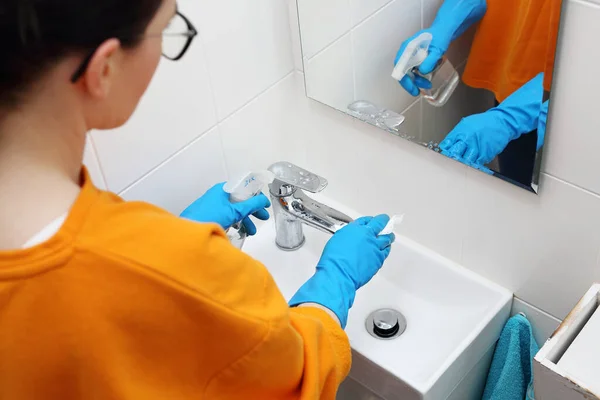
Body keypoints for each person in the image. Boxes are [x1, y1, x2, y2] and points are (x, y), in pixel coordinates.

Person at [0, 1, 395, 399]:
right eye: (168, 30)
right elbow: (298, 378)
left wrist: (164, 241)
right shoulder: (183, 269)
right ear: (104, 69)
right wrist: (334, 283)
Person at [395, 0, 560, 184]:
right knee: (515, 183)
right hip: (514, 83)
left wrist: (510, 118)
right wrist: (446, 23)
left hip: (571, 108)